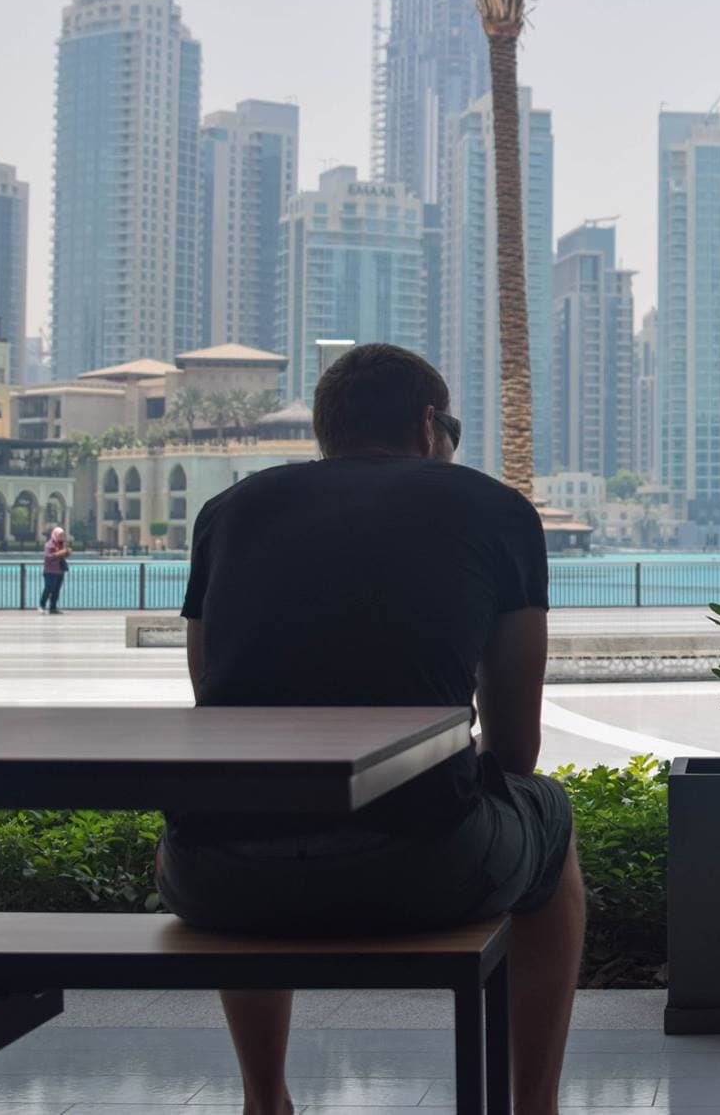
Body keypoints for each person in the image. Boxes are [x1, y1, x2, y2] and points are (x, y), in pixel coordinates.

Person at [155, 344, 584, 1115]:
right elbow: (517, 749)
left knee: (249, 801)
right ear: (429, 424)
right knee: (551, 817)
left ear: (327, 431)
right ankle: (535, 1109)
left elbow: (215, 706)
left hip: (215, 872)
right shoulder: (494, 508)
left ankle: (264, 1099)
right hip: (425, 863)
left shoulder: (230, 512)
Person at [38, 526, 70, 614]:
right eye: (60, 535)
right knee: (48, 588)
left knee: (56, 590)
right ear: (55, 534)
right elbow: (48, 557)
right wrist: (60, 553)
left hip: (59, 571)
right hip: (50, 571)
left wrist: (67, 552)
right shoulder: (49, 544)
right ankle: (42, 605)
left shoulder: (62, 544)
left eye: (62, 535)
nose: (61, 537)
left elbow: (62, 556)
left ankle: (53, 607)